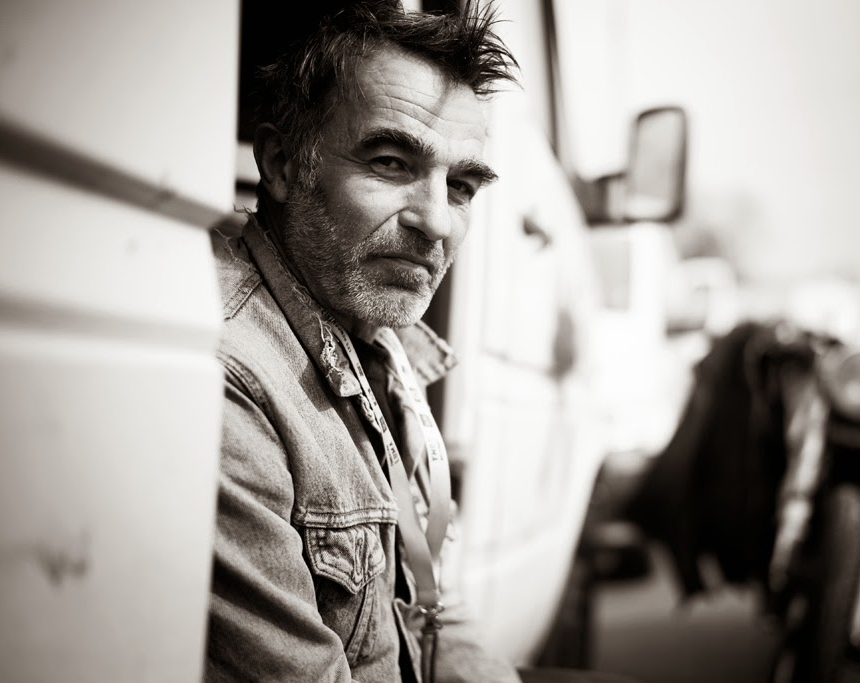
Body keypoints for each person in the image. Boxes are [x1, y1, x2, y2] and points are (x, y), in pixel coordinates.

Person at [205, 2, 639, 682]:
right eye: (390, 162)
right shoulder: (229, 378)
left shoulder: (381, 345)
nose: (437, 221)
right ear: (283, 164)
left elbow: (430, 606)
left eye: (461, 186)